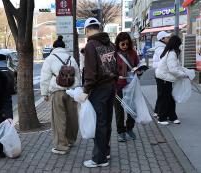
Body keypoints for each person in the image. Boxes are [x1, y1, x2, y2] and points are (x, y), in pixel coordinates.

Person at [77, 17, 118, 168]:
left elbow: (91, 72)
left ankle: (99, 159)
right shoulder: (111, 44)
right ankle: (105, 151)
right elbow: (116, 67)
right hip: (110, 87)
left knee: (99, 123)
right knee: (106, 121)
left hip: (98, 89)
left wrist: (85, 90)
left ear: (87, 30)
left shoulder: (91, 45)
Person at [40, 35, 80, 155]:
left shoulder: (50, 59)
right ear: (63, 47)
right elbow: (78, 75)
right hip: (72, 92)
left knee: (58, 118)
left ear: (54, 47)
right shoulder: (71, 58)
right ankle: (71, 140)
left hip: (57, 91)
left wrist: (44, 93)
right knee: (72, 117)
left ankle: (61, 146)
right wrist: (78, 90)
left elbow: (45, 77)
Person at [113, 32, 141, 142]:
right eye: (122, 44)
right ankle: (121, 132)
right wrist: (116, 79)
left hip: (131, 84)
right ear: (118, 44)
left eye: (127, 44)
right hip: (118, 85)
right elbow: (110, 70)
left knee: (132, 108)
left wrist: (139, 71)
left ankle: (129, 128)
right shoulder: (114, 55)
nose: (125, 46)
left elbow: (137, 65)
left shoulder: (133, 53)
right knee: (119, 110)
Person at [155, 35, 188, 125]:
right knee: (165, 99)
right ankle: (162, 118)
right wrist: (184, 75)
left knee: (169, 98)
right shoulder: (172, 53)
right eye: (180, 44)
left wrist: (183, 71)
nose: (180, 46)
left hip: (164, 77)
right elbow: (172, 69)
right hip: (164, 78)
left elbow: (175, 66)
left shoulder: (171, 52)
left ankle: (171, 116)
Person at [153, 31, 171, 118]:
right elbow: (164, 61)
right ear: (162, 39)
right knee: (162, 94)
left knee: (161, 94)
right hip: (161, 74)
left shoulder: (163, 47)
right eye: (167, 37)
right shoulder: (161, 48)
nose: (169, 38)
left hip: (161, 73)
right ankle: (160, 113)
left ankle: (157, 111)